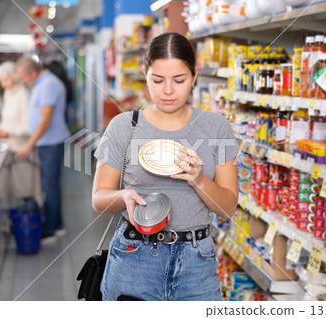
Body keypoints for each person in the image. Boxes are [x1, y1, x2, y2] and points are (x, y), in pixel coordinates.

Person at [92, 33, 239, 301]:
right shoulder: (124, 126)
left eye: (179, 80)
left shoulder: (217, 127)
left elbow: (227, 209)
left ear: (194, 76)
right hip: (133, 257)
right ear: (145, 73)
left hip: (196, 262)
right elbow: (99, 200)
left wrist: (199, 179)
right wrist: (124, 196)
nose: (168, 90)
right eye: (157, 80)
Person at [16, 57, 71, 244]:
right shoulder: (41, 83)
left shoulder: (48, 84)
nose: (23, 81)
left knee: (50, 186)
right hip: (46, 142)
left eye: (23, 77)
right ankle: (57, 224)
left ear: (32, 72)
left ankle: (52, 228)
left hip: (51, 142)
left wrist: (30, 143)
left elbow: (46, 120)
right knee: (49, 185)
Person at [0, 61, 41, 200]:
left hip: (23, 150)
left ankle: (28, 219)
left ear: (15, 77)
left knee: (25, 190)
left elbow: (29, 127)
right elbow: (7, 119)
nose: (3, 84)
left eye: (6, 80)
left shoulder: (24, 95)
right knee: (11, 190)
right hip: (9, 148)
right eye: (1, 81)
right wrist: (0, 129)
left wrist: (9, 132)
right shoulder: (8, 93)